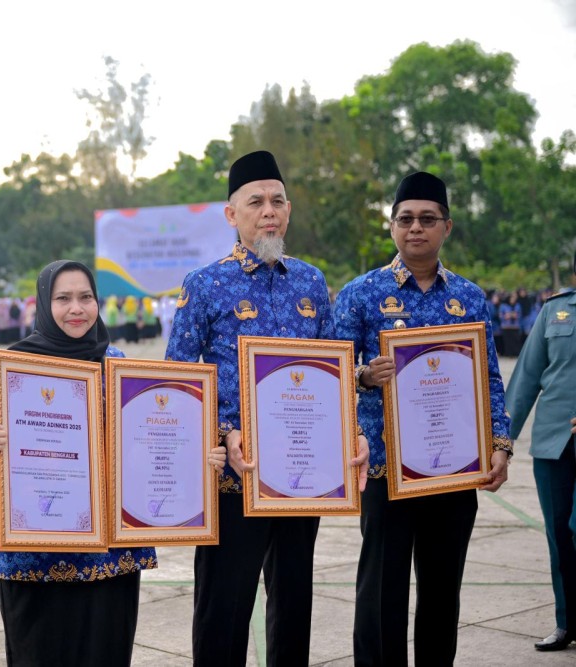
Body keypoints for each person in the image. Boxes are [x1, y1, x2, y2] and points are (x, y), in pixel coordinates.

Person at [165, 150, 367, 666]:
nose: (269, 211)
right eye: (255, 202)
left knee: (294, 605)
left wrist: (353, 431)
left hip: (303, 474)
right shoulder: (205, 284)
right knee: (224, 609)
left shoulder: (311, 282)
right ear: (231, 214)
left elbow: (333, 370)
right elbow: (177, 382)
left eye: (277, 201)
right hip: (236, 477)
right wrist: (222, 432)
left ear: (289, 210)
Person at [332, 171, 512, 666]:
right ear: (392, 226)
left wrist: (500, 442)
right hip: (386, 469)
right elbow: (330, 374)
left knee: (442, 590)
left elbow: (489, 377)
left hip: (454, 468)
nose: (416, 227)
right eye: (406, 218)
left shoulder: (469, 298)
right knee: (381, 591)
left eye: (428, 219)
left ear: (446, 227)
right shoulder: (361, 294)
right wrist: (364, 375)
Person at [0, 260, 192, 666]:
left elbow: (148, 442)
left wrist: (191, 457)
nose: (76, 308)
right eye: (63, 298)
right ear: (44, 304)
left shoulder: (119, 364)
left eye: (85, 297)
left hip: (110, 558)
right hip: (37, 557)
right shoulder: (13, 367)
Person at [504, 250, 576, 652]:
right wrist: (502, 441)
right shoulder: (555, 311)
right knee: (558, 535)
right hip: (553, 442)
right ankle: (567, 621)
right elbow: (526, 378)